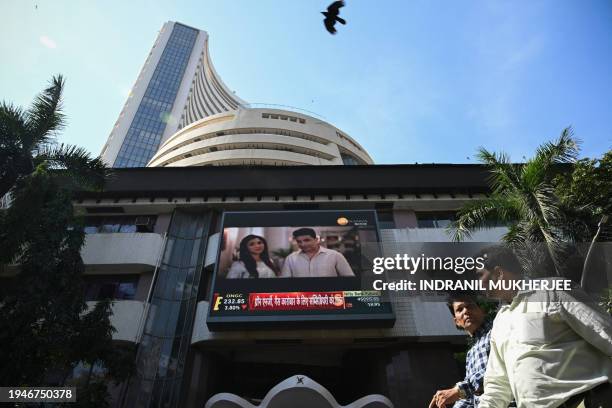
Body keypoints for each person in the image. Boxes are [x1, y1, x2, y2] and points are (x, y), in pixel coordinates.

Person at [476, 245, 612, 408]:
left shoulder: (553, 291)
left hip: (588, 401)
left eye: (478, 275)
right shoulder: (500, 322)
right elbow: (497, 385)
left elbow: (604, 332)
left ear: (498, 273)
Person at [429, 293, 493, 408]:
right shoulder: (471, 353)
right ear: (456, 321)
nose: (465, 311)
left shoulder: (496, 331)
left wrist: (457, 391)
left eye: (470, 306)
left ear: (482, 310)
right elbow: (471, 397)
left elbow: (495, 373)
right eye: (460, 309)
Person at [280, 227, 355, 277]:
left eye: (307, 240)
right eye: (299, 241)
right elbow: (285, 282)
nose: (303, 244)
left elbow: (349, 278)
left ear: (316, 240)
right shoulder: (290, 259)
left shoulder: (335, 256)